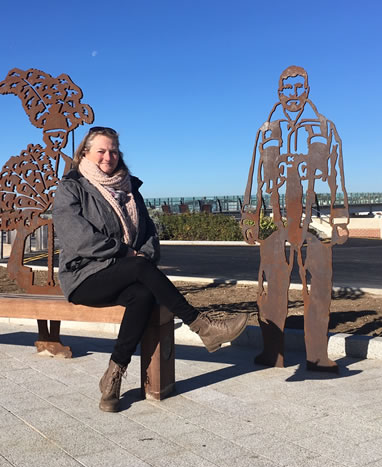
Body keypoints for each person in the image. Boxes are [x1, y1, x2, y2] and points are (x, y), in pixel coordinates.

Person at [52, 127, 248, 412]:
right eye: (102, 151)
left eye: (114, 151)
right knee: (140, 268)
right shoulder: (72, 187)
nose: (109, 157)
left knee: (142, 296)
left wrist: (142, 253)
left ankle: (112, 377)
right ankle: (202, 325)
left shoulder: (130, 188)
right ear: (85, 153)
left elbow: (148, 234)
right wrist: (125, 253)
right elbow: (77, 237)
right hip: (84, 275)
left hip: (126, 271)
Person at [241, 66, 349, 370]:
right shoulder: (266, 130)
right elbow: (254, 178)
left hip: (314, 224)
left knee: (319, 286)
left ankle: (317, 354)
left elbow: (336, 178)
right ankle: (272, 352)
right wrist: (251, 219)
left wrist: (338, 220)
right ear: (279, 94)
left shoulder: (324, 127)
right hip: (276, 223)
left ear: (307, 90)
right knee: (272, 286)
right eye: (287, 90)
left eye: (299, 88)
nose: (293, 96)